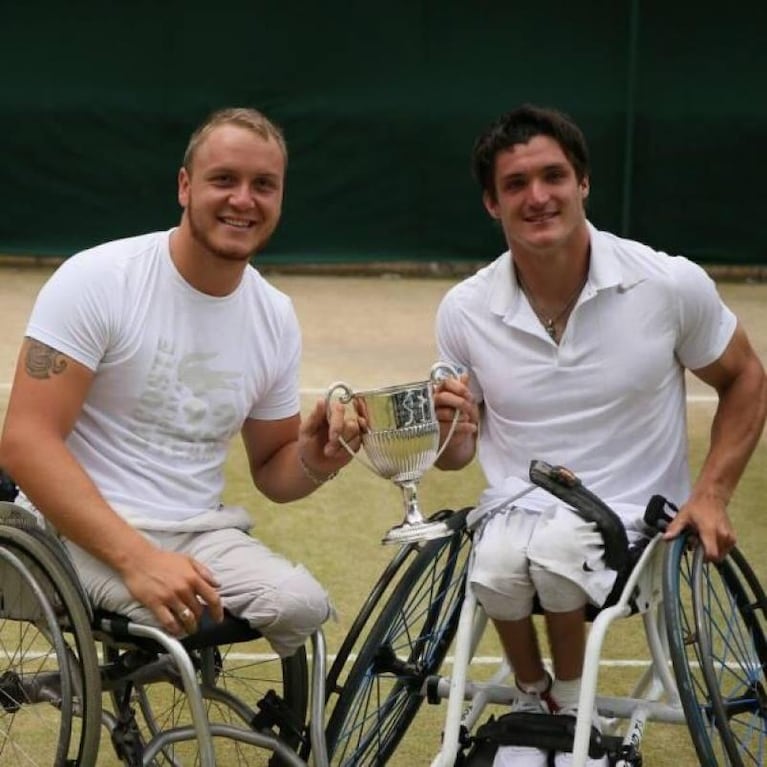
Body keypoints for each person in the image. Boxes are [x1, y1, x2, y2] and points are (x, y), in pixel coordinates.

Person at [432, 104, 767, 767]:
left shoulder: (666, 283)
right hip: (514, 513)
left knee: (558, 552)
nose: (537, 196)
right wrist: (454, 432)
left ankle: (566, 696)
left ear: (582, 182)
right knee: (494, 570)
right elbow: (458, 457)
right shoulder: (464, 309)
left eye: (552, 175)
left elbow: (746, 377)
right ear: (491, 204)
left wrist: (712, 493)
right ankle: (536, 702)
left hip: (637, 524)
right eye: (515, 185)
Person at [0, 107, 360, 658]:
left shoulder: (274, 315)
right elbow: (26, 443)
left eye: (264, 185)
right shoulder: (98, 279)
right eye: (224, 180)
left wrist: (317, 456)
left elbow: (273, 471)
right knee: (177, 617)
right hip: (69, 531)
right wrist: (138, 561)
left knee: (301, 605)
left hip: (198, 533)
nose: (244, 200)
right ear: (185, 186)